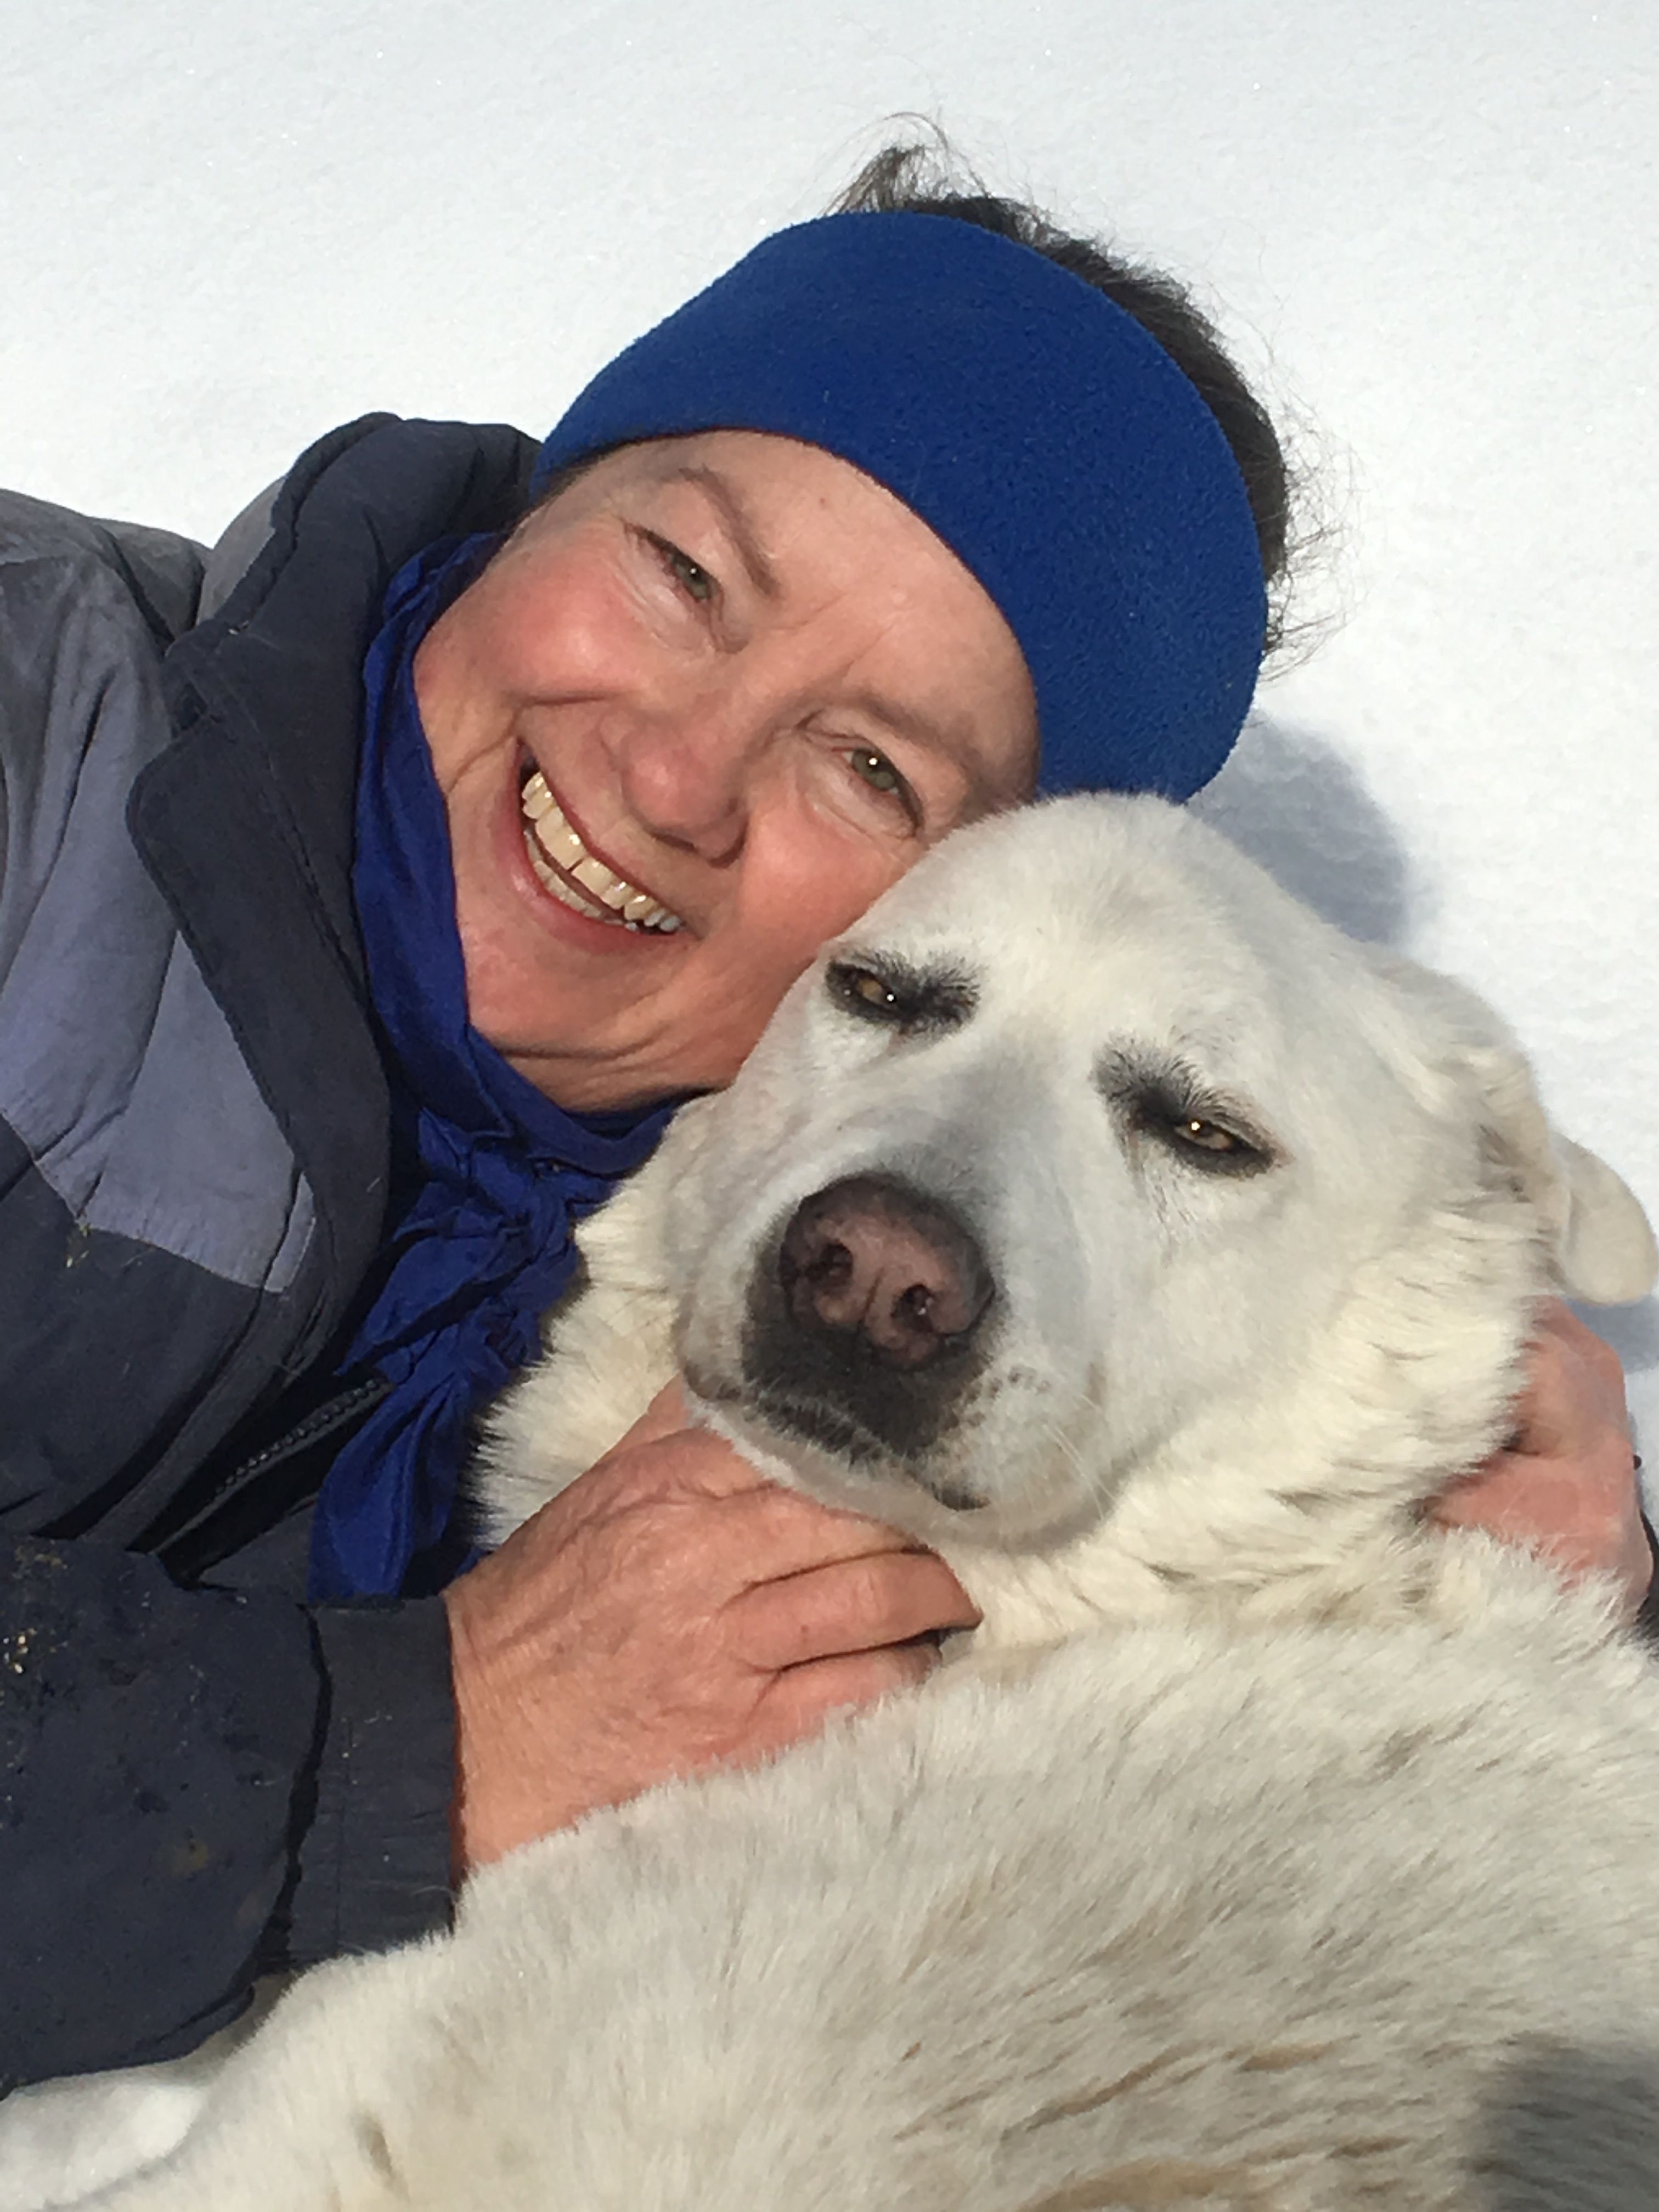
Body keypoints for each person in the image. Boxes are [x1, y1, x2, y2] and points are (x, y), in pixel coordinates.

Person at [0, 146, 1647, 2091]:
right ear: (548, 504)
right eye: (682, 573)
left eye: (869, 765)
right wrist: (412, 1742)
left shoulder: (723, 1232)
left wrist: (1497, 1559)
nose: (679, 773)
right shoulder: (39, 722)